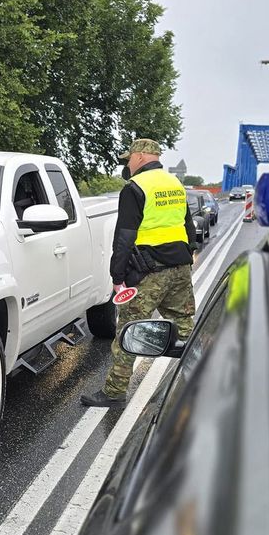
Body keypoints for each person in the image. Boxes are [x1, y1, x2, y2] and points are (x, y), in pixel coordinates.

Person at [81, 138, 198, 408]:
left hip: (149, 273)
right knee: (186, 328)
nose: (127, 163)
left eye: (129, 158)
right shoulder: (175, 184)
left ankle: (114, 392)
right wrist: (186, 256)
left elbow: (124, 238)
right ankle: (198, 382)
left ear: (142, 157)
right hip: (179, 269)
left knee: (129, 332)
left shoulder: (135, 188)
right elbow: (188, 227)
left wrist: (117, 277)